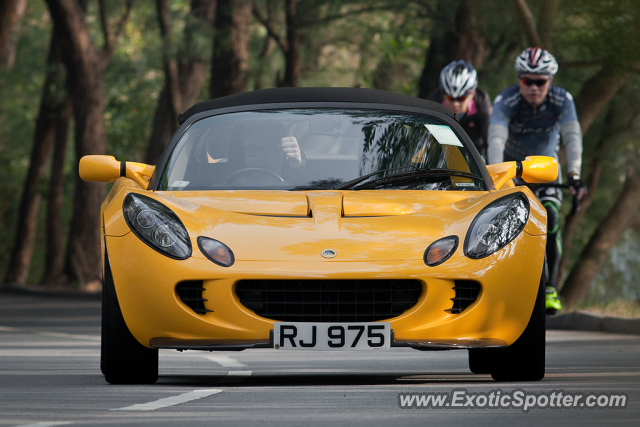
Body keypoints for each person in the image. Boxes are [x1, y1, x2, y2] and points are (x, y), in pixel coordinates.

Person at [487, 47, 585, 314]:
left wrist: (575, 172)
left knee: (550, 218)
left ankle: (550, 287)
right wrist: (495, 174)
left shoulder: (562, 99)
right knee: (507, 224)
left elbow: (572, 137)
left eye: (540, 81)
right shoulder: (505, 101)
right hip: (514, 173)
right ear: (519, 79)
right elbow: (496, 139)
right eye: (526, 80)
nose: (533, 87)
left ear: (550, 81)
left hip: (547, 171)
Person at [426, 60, 492, 160]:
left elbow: (489, 141)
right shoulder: (432, 102)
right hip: (441, 154)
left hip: (474, 156)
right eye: (450, 98)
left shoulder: (482, 106)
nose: (455, 104)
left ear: (472, 94)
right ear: (443, 93)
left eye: (461, 99)